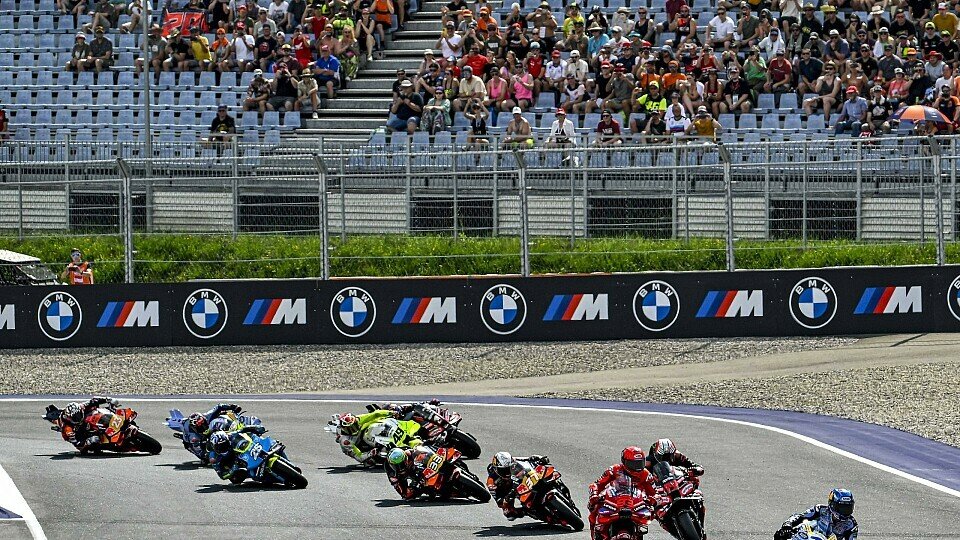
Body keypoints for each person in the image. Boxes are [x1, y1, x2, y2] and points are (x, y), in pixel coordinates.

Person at [588, 447, 658, 540]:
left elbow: (654, 492)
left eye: (640, 463)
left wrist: (653, 500)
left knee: (651, 513)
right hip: (614, 501)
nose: (637, 467)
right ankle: (596, 534)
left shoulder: (646, 474)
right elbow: (597, 484)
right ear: (624, 461)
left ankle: (637, 533)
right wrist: (594, 495)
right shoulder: (613, 470)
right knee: (595, 508)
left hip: (636, 503)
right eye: (633, 464)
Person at [486, 451, 553, 520]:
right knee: (509, 514)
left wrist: (539, 458)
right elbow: (499, 502)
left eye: (509, 468)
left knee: (543, 469)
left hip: (521, 480)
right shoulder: (491, 482)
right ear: (496, 469)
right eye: (504, 470)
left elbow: (527, 459)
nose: (507, 472)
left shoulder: (512, 461)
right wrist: (507, 499)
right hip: (510, 492)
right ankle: (529, 512)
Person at [775, 489, 858, 540]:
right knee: (781, 535)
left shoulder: (851, 524)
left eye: (848, 508)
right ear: (832, 505)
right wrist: (787, 525)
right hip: (808, 537)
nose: (844, 511)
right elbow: (800, 516)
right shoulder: (820, 509)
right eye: (842, 508)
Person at [179, 403, 244, 460]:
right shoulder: (193, 436)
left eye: (203, 423)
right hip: (195, 440)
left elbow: (219, 406)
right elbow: (198, 451)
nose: (203, 426)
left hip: (214, 430)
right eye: (199, 426)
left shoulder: (208, 416)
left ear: (204, 419)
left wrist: (232, 406)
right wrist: (204, 455)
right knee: (205, 457)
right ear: (194, 428)